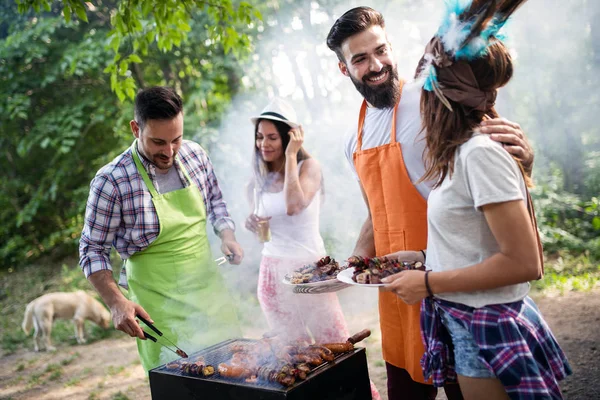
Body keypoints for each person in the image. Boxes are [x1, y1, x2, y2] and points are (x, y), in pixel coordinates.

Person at [326, 6, 535, 400]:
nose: (376, 65)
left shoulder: (433, 100)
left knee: (466, 387)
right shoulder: (351, 137)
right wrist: (357, 257)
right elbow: (375, 208)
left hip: (455, 279)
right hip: (398, 284)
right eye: (360, 58)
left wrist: (523, 155)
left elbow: (496, 157)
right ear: (344, 69)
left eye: (381, 50)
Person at [381, 1, 572, 399]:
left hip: (487, 326)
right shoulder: (458, 154)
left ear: (439, 95)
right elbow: (477, 241)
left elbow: (524, 262)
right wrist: (422, 258)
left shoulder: (478, 153)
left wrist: (428, 283)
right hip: (468, 322)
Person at [79, 86, 243, 371]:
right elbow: (92, 249)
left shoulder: (195, 155)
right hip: (160, 315)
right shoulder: (112, 181)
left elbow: (216, 201)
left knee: (240, 380)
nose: (169, 152)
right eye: (158, 142)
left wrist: (227, 236)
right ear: (135, 128)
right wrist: (116, 302)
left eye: (176, 139)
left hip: (212, 299)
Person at [245, 98, 380, 399]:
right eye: (259, 136)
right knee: (295, 358)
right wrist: (255, 226)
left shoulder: (309, 166)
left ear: (290, 136)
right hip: (272, 275)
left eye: (271, 137)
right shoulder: (257, 180)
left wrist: (291, 156)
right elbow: (265, 236)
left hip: (310, 273)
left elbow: (294, 205)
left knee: (338, 346)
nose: (263, 144)